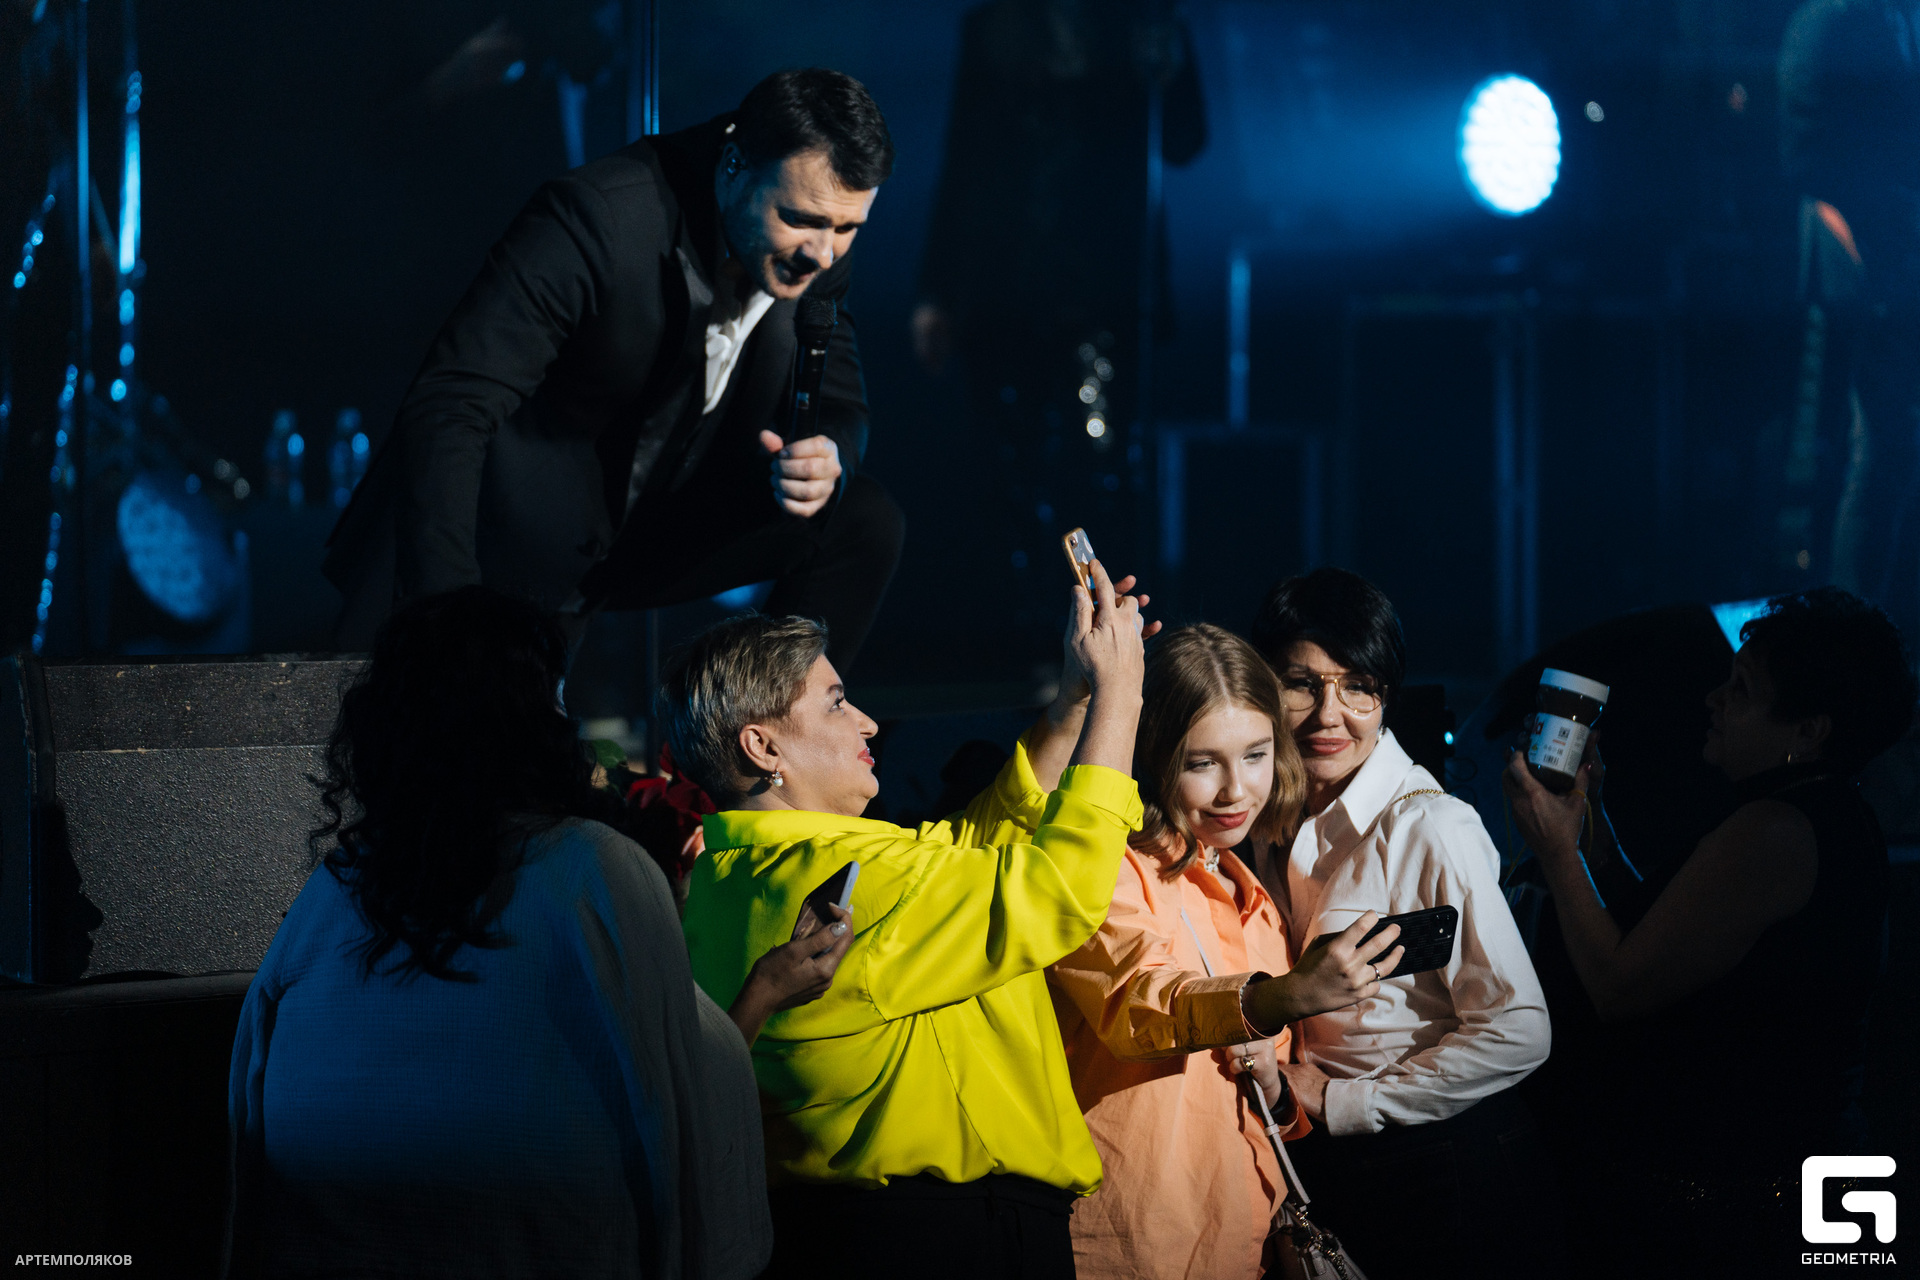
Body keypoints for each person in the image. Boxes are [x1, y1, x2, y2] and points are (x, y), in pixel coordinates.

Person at [224, 587, 851, 1279]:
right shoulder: (589, 866)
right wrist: (762, 993)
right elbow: (681, 1096)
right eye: (555, 698)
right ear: (530, 724)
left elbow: (258, 1091)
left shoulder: (340, 885)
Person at [323, 69, 905, 669]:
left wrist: (828, 456)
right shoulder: (603, 215)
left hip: (643, 525)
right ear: (733, 165)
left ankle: (779, 722)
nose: (823, 253)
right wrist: (447, 606)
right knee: (374, 721)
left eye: (848, 228)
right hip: (498, 531)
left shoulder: (821, 238)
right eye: (802, 219)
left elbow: (843, 404)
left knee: (864, 520)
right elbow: (452, 403)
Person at [674, 562, 1149, 1279]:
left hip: (883, 1231)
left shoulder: (750, 873)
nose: (867, 721)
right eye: (836, 704)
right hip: (938, 1237)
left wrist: (1074, 706)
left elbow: (972, 851)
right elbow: (1056, 892)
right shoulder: (830, 876)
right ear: (763, 747)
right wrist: (1123, 695)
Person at [1503, 586, 1916, 1274]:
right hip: (1783, 1185)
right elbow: (1670, 937)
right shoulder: (1818, 812)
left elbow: (1621, 985)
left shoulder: (1775, 831)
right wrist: (1591, 826)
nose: (1713, 700)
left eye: (1742, 689)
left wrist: (1556, 850)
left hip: (1743, 1205)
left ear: (1808, 730)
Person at [1047, 624, 1404, 1279]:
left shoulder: (1254, 899)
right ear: (1153, 758)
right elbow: (1140, 1003)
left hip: (1246, 1245)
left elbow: (1270, 1105)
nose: (1236, 790)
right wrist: (1283, 996)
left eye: (1256, 755)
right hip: (1135, 1248)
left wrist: (1275, 1086)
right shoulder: (1109, 870)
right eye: (1202, 763)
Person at [1247, 568, 1559, 1280]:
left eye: (1357, 687)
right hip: (1333, 1160)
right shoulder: (1268, 822)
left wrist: (1345, 1101)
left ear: (1386, 695)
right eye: (1301, 684)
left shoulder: (1430, 825)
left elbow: (1520, 1028)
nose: (1329, 715)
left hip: (1445, 1164)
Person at [910, 0, 1207, 669]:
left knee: (1103, 464)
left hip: (1103, 290)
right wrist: (937, 289)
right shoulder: (996, 23)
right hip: (1003, 285)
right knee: (1009, 467)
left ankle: (1109, 637)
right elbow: (965, 154)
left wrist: (1168, 68)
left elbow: (1185, 141)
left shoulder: (1143, 20)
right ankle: (1021, 640)